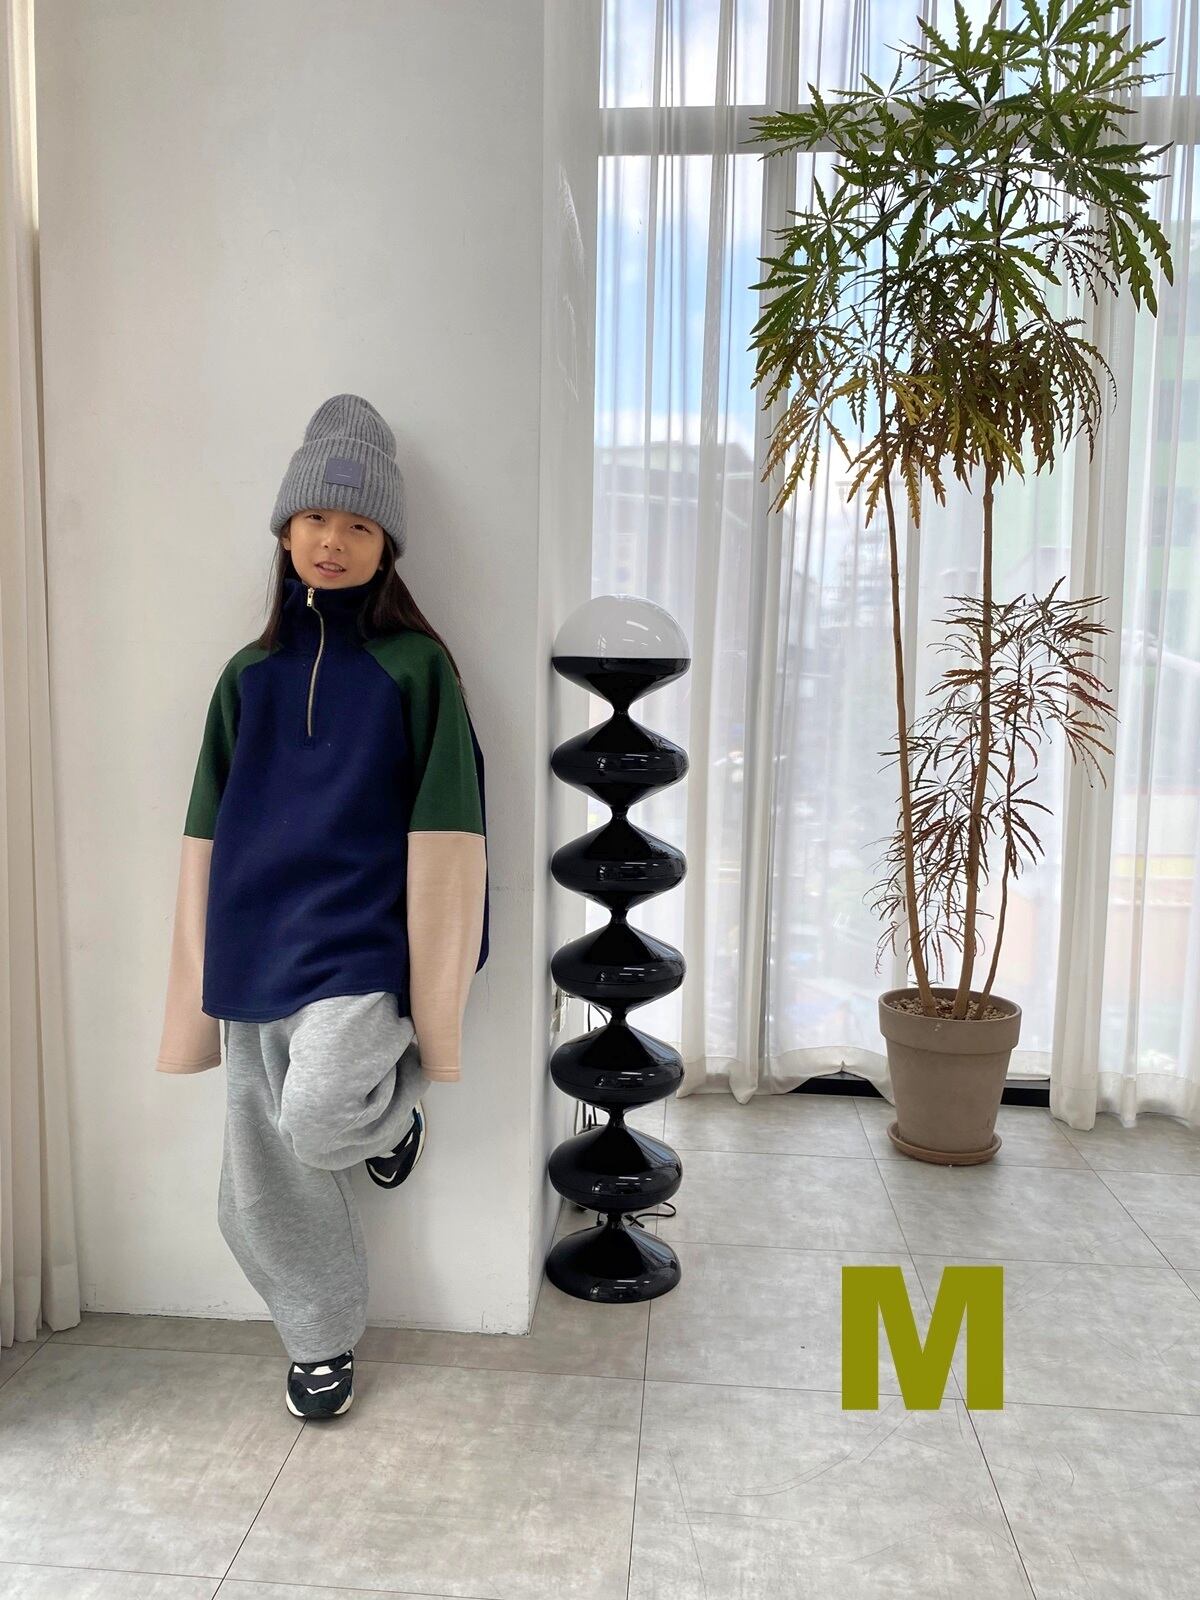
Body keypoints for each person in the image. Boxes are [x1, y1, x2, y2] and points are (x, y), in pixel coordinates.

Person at [154, 393, 489, 1420]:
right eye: (314, 519)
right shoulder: (245, 677)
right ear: (286, 530)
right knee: (257, 1181)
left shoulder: (415, 668)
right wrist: (193, 986)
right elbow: (203, 840)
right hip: (254, 947)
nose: (332, 541)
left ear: (386, 547)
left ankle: (387, 1125)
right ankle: (317, 1337)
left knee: (315, 1117)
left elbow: (452, 832)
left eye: (358, 525)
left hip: (360, 947)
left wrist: (441, 975)